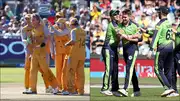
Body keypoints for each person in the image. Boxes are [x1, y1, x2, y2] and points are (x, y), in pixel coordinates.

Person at [23, 13, 59, 94]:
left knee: (45, 70)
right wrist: (28, 41)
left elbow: (48, 37)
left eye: (33, 19)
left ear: (38, 20)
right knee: (33, 71)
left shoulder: (43, 27)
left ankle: (55, 86)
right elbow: (30, 39)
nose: (31, 21)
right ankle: (33, 89)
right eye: (31, 19)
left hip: (42, 52)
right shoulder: (32, 29)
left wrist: (43, 44)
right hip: (34, 52)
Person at [147, 6, 175, 97]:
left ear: (161, 13)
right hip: (170, 48)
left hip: (162, 49)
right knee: (168, 70)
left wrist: (151, 49)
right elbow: (159, 32)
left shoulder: (159, 24)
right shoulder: (168, 23)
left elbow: (156, 37)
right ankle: (172, 91)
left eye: (158, 12)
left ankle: (168, 88)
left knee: (157, 69)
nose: (157, 13)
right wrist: (147, 31)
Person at [117, 9, 141, 97]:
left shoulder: (135, 25)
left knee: (128, 68)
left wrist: (129, 37)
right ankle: (137, 90)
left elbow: (140, 37)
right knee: (132, 70)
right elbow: (119, 35)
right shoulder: (120, 25)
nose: (124, 18)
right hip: (125, 49)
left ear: (129, 17)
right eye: (123, 17)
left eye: (125, 17)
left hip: (133, 48)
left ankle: (125, 89)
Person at [100, 10, 120, 96]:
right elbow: (120, 34)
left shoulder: (116, 24)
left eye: (117, 14)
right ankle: (104, 88)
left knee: (115, 69)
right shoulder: (112, 24)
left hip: (113, 48)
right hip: (108, 48)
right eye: (115, 14)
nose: (117, 15)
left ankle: (114, 89)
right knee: (109, 69)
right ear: (111, 17)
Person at [65, 18, 86, 95]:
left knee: (71, 72)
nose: (69, 25)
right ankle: (81, 90)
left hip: (74, 54)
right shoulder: (84, 31)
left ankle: (71, 90)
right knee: (80, 74)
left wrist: (66, 44)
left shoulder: (74, 31)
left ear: (73, 24)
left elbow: (73, 41)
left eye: (70, 24)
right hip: (82, 54)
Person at [50, 18, 71, 95]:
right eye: (57, 23)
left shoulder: (67, 28)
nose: (57, 25)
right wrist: (52, 52)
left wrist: (51, 27)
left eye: (59, 24)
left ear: (63, 23)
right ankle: (58, 87)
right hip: (58, 52)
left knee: (64, 71)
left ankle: (65, 88)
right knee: (58, 70)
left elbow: (60, 34)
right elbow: (51, 42)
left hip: (67, 52)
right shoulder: (54, 28)